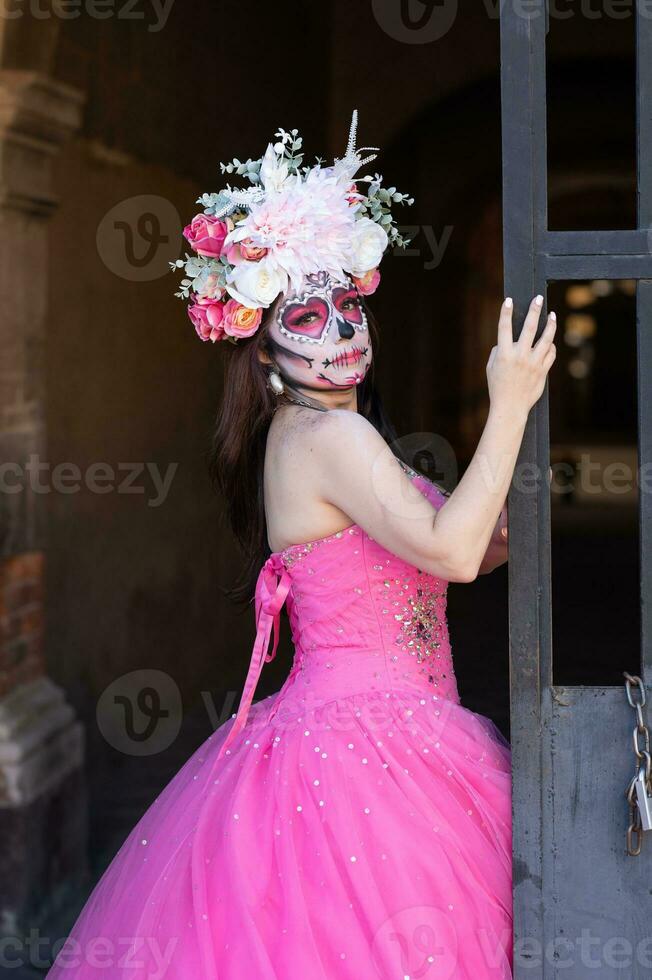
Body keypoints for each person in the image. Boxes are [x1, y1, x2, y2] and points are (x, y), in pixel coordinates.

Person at [47, 112, 556, 979]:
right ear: (265, 348)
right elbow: (453, 554)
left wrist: (491, 534)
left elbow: (431, 556)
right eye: (309, 316)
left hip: (370, 733)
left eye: (349, 306)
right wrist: (510, 401)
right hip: (373, 755)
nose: (341, 330)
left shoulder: (313, 432)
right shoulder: (328, 438)